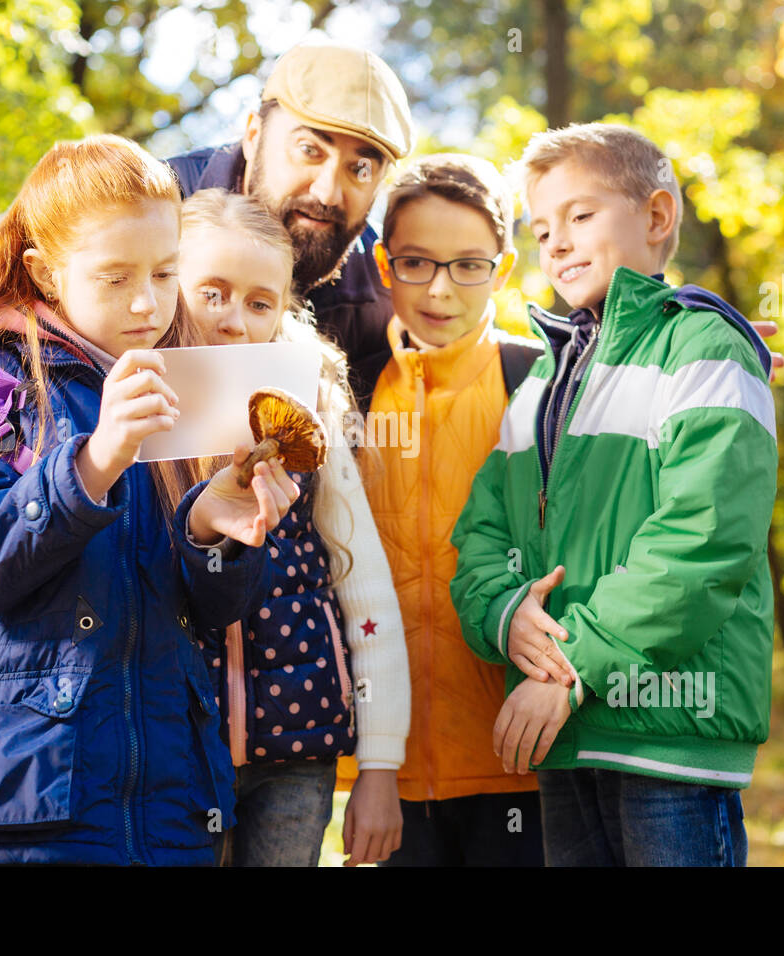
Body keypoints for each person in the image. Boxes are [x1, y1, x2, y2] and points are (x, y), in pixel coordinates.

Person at [0, 134, 300, 865]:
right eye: (115, 278)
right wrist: (91, 463)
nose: (147, 302)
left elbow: (210, 614)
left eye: (165, 271)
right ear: (46, 272)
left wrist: (212, 532)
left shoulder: (191, 383)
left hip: (167, 810)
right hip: (13, 808)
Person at [0, 42, 415, 409]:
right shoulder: (152, 205)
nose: (330, 188)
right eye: (310, 149)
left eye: (363, 166)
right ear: (253, 130)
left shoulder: (374, 290)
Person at [450, 123, 778, 867]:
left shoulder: (707, 350)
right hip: (566, 738)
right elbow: (481, 532)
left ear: (656, 217)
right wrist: (506, 618)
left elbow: (703, 545)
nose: (557, 242)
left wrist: (569, 670)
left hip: (667, 731)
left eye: (580, 215)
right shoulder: (540, 382)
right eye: (541, 229)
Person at [177, 188, 408, 866]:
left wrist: (381, 766)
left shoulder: (313, 411)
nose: (233, 321)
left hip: (297, 748)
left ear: (283, 308)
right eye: (210, 293)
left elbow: (364, 591)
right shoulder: (140, 417)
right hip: (180, 749)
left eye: (258, 302)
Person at [333, 154, 548, 865]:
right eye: (417, 263)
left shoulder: (539, 382)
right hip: (384, 769)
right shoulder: (349, 392)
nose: (441, 290)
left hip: (521, 756)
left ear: (504, 268)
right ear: (384, 265)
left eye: (468, 266)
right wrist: (373, 764)